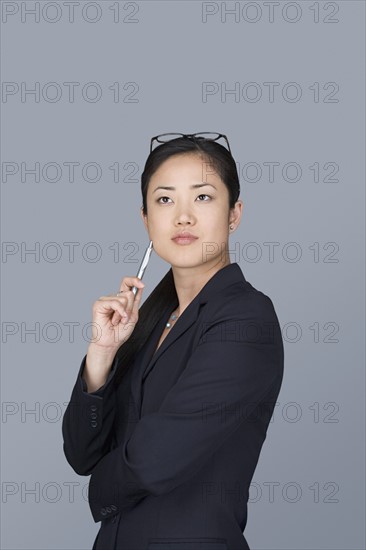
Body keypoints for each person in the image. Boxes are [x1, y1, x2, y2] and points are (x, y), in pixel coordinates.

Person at [62, 132, 285, 550]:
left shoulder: (246, 320)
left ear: (234, 214)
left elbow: (154, 461)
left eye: (202, 198)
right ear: (146, 219)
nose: (182, 217)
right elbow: (81, 453)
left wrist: (97, 492)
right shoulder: (146, 322)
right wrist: (103, 352)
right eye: (165, 200)